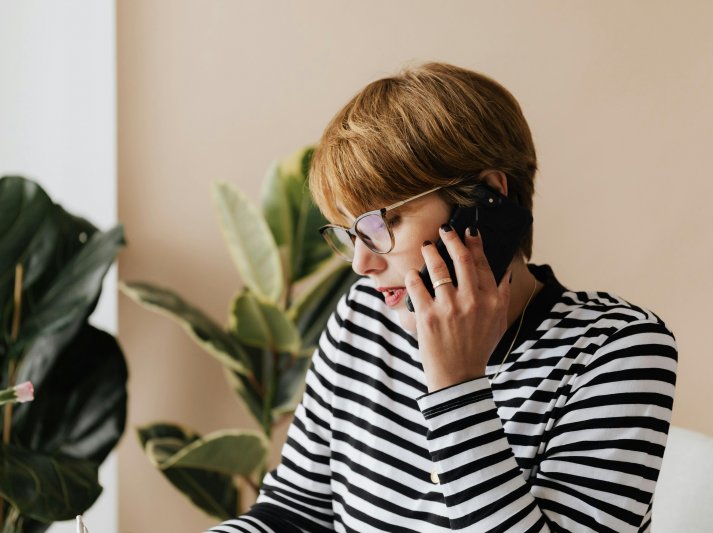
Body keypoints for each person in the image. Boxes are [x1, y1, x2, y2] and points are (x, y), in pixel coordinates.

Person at [208, 62, 677, 533]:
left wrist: (456, 384)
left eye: (383, 224)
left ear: (486, 198)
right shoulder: (362, 318)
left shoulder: (618, 351)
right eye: (350, 233)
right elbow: (294, 513)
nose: (361, 264)